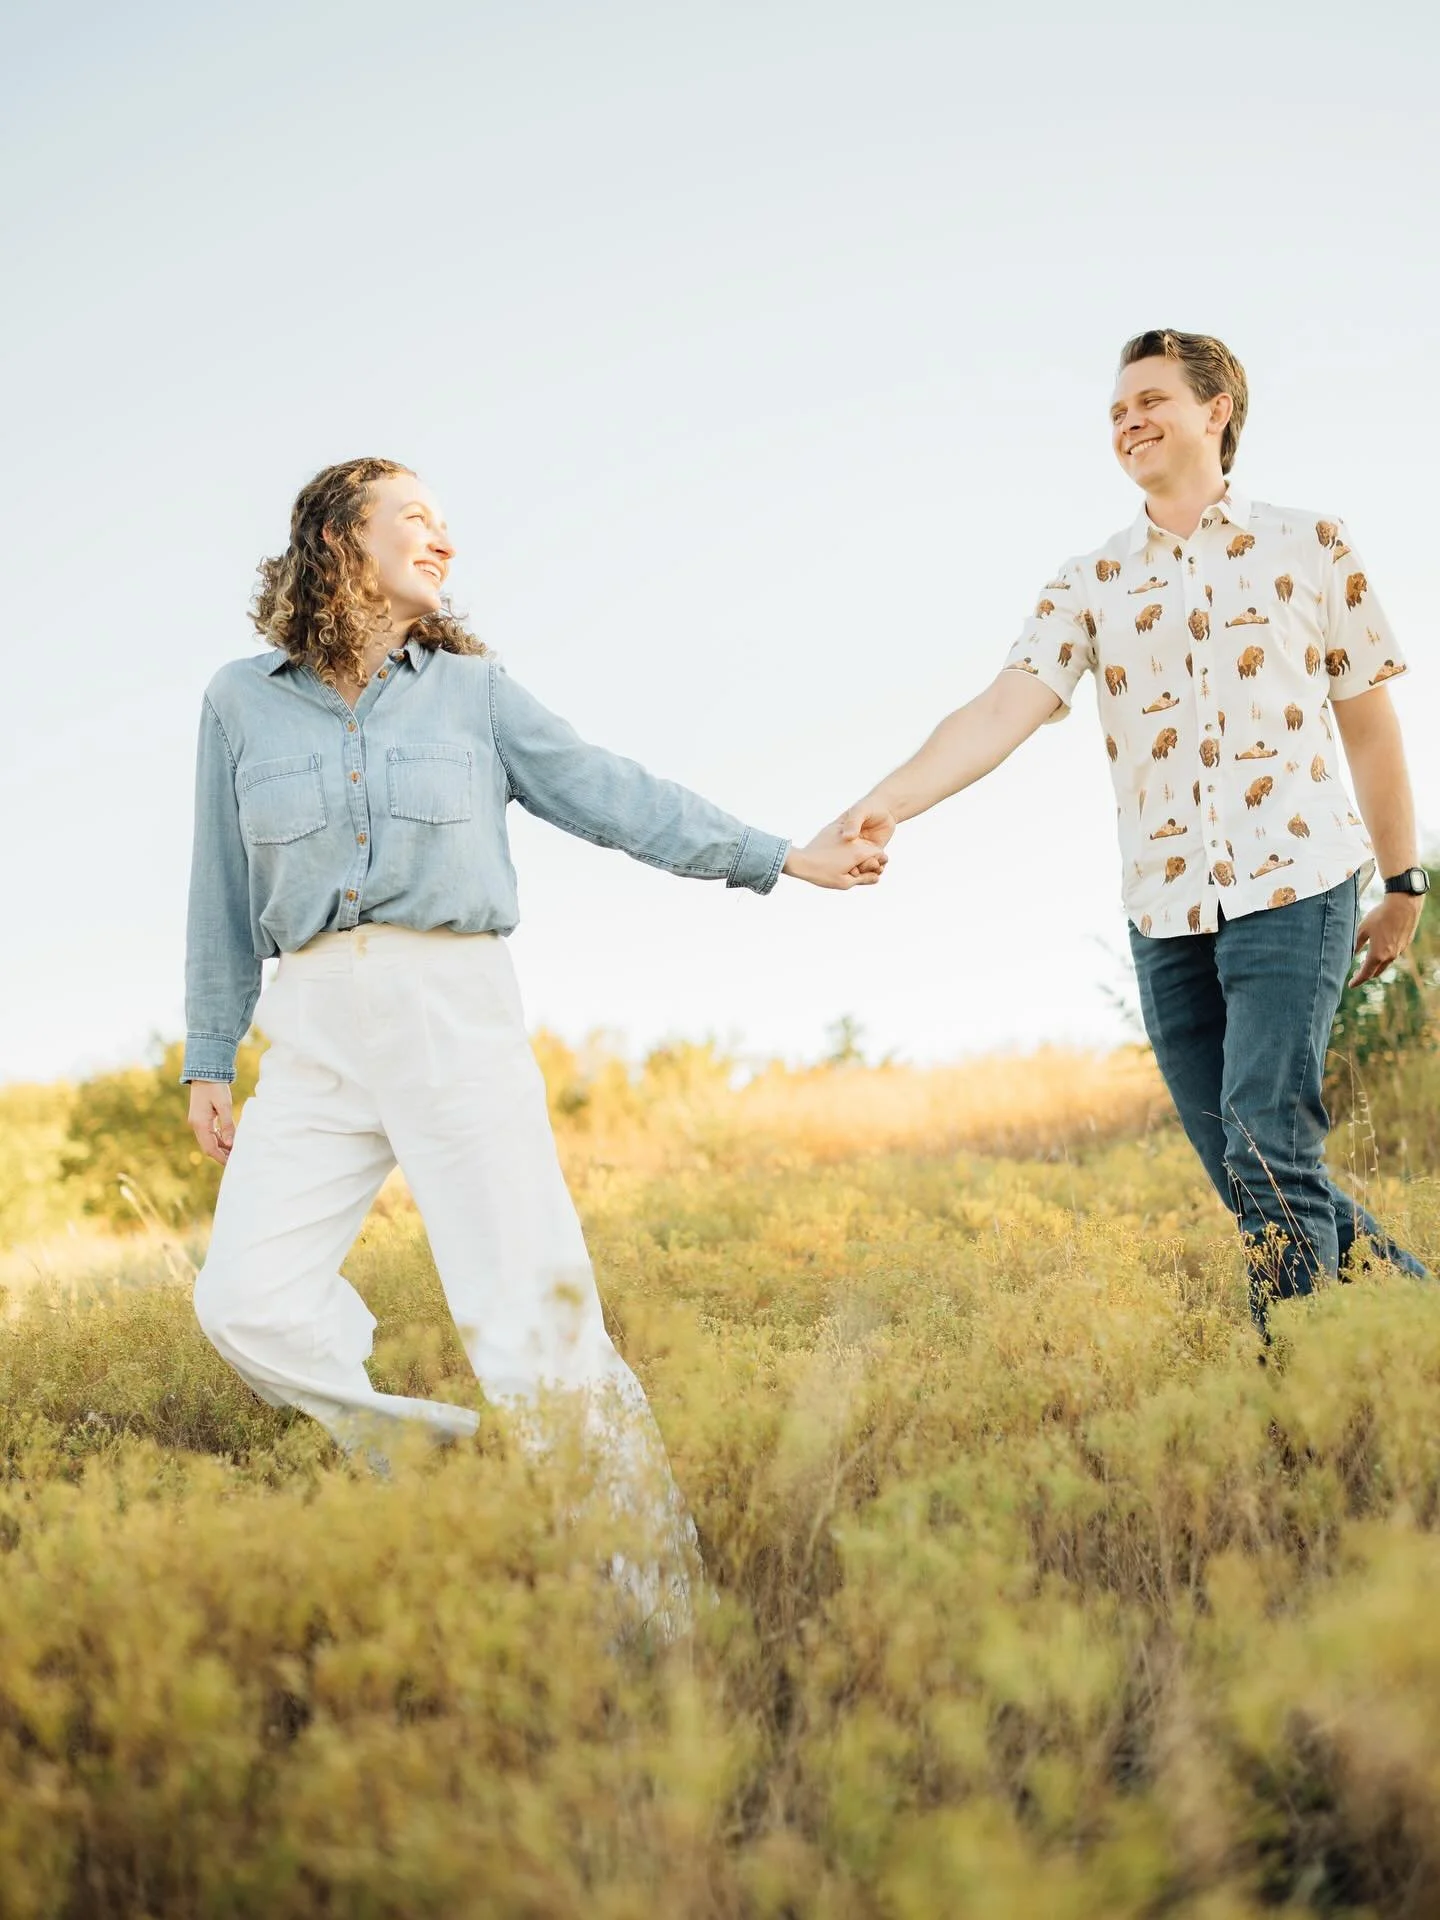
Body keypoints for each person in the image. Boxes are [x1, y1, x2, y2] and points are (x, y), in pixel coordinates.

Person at [182, 456, 886, 1623]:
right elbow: (216, 888)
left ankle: (659, 1619)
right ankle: (452, 1465)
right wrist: (211, 1053)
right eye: (415, 518)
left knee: (534, 1326)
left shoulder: (474, 692)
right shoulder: (238, 701)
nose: (443, 540)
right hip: (310, 1029)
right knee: (244, 1300)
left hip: (451, 1011)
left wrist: (780, 856)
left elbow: (616, 794)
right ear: (336, 540)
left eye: (447, 525)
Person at [831, 329, 1429, 1333]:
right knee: (1250, 1171)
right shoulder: (1089, 581)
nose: (1128, 422)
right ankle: (1413, 1330)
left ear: (1215, 412)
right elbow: (998, 710)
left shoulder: (1310, 544)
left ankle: (1306, 1403)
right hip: (1167, 914)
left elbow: (1369, 730)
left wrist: (1403, 883)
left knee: (1266, 1145)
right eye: (1115, 411)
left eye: (1150, 400)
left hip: (1296, 885)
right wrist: (891, 799)